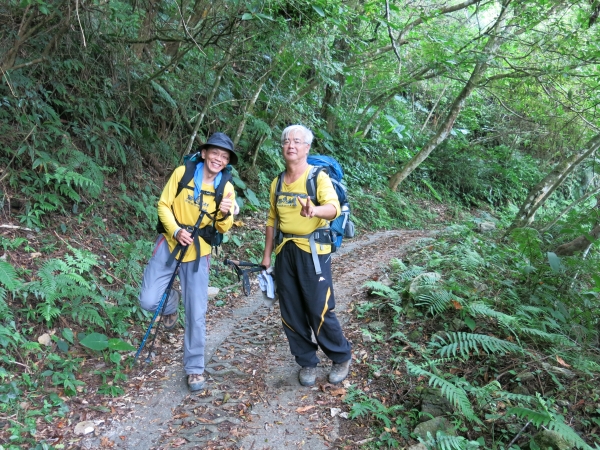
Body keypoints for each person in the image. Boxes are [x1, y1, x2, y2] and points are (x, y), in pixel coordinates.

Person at [139, 132, 237, 392]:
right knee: (148, 300)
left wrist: (225, 214)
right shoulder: (183, 173)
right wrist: (175, 231)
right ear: (204, 153)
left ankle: (194, 368)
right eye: (214, 153)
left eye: (224, 156)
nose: (218, 158)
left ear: (227, 162)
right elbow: (163, 205)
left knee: (196, 313)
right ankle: (170, 306)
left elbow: (222, 227)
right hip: (170, 243)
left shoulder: (225, 187)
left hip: (199, 251)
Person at [261, 124, 352, 387]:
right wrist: (267, 256)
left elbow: (333, 208)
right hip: (284, 251)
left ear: (307, 148)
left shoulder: (317, 177)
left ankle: (341, 356)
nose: (291, 145)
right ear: (282, 147)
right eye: (286, 141)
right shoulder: (277, 182)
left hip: (313, 251)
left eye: (297, 141)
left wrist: (315, 211)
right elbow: (271, 220)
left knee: (319, 308)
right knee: (290, 311)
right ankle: (307, 362)